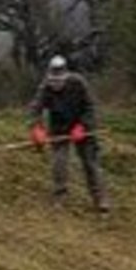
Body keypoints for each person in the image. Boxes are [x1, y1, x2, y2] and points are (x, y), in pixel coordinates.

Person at [26, 55, 110, 212]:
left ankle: (100, 198)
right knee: (59, 162)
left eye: (59, 81)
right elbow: (35, 108)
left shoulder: (78, 83)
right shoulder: (45, 87)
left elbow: (91, 107)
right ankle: (59, 197)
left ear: (66, 77)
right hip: (59, 127)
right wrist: (37, 127)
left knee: (90, 162)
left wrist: (83, 126)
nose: (56, 85)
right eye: (53, 81)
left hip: (82, 125)